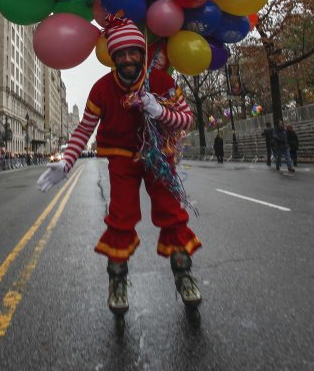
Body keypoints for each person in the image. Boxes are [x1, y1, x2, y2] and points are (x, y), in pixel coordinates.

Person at [37, 17, 201, 316]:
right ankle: (118, 281)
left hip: (158, 158)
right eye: (120, 53)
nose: (127, 58)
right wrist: (66, 161)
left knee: (172, 214)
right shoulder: (101, 89)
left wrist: (159, 109)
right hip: (121, 159)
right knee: (120, 218)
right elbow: (84, 129)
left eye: (132, 52)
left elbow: (187, 118)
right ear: (113, 57)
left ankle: (184, 274)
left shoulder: (162, 81)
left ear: (141, 53)